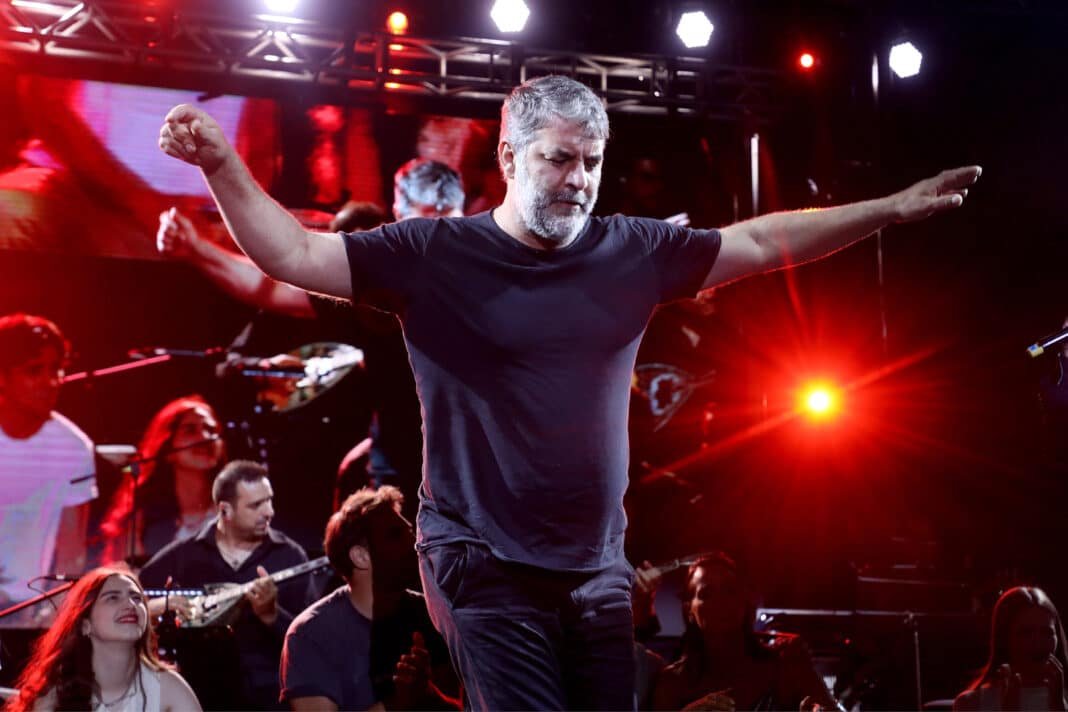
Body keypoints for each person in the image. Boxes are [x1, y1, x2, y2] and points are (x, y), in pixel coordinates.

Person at [157, 73, 980, 709]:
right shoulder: (436, 254)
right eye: (559, 159)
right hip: (480, 559)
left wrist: (891, 209)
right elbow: (295, 255)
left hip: (595, 569)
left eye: (591, 162)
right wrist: (222, 163)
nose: (579, 179)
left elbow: (763, 242)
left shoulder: (633, 250)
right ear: (510, 158)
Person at [155, 158, 465, 518]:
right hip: (407, 470)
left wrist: (197, 248)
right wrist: (196, 249)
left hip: (467, 469)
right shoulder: (385, 276)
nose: (435, 236)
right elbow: (274, 287)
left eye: (445, 224)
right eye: (426, 224)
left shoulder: (488, 268)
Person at [139, 460, 318, 709]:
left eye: (269, 501)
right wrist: (157, 607)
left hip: (269, 700)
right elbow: (130, 599)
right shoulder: (184, 555)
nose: (269, 512)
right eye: (256, 505)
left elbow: (313, 642)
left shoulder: (290, 555)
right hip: (198, 698)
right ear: (225, 510)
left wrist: (272, 616)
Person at [280, 485, 458, 711]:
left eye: (410, 532)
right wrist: (398, 703)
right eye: (394, 535)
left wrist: (428, 693)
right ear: (360, 556)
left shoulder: (432, 614)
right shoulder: (310, 634)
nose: (413, 544)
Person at [650, 552, 838, 710]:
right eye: (707, 594)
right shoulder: (672, 683)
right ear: (689, 610)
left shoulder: (786, 666)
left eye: (729, 590)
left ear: (744, 601)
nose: (721, 601)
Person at [5, 565, 202, 712]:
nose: (130, 605)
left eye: (136, 598)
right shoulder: (55, 693)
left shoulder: (167, 687)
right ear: (85, 624)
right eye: (113, 598)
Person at [0, 314, 96, 610]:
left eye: (56, 369)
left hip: (27, 611)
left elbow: (72, 553)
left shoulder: (75, 448)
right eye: (34, 370)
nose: (52, 381)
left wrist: (56, 612)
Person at [99, 395, 226, 564]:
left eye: (211, 430)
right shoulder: (141, 520)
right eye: (190, 431)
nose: (205, 437)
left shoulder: (236, 509)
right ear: (167, 447)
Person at [953, 586, 1068, 711]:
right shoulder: (972, 703)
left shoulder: (1062, 699)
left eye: (1046, 632)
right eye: (1026, 633)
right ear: (1005, 638)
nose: (1038, 642)